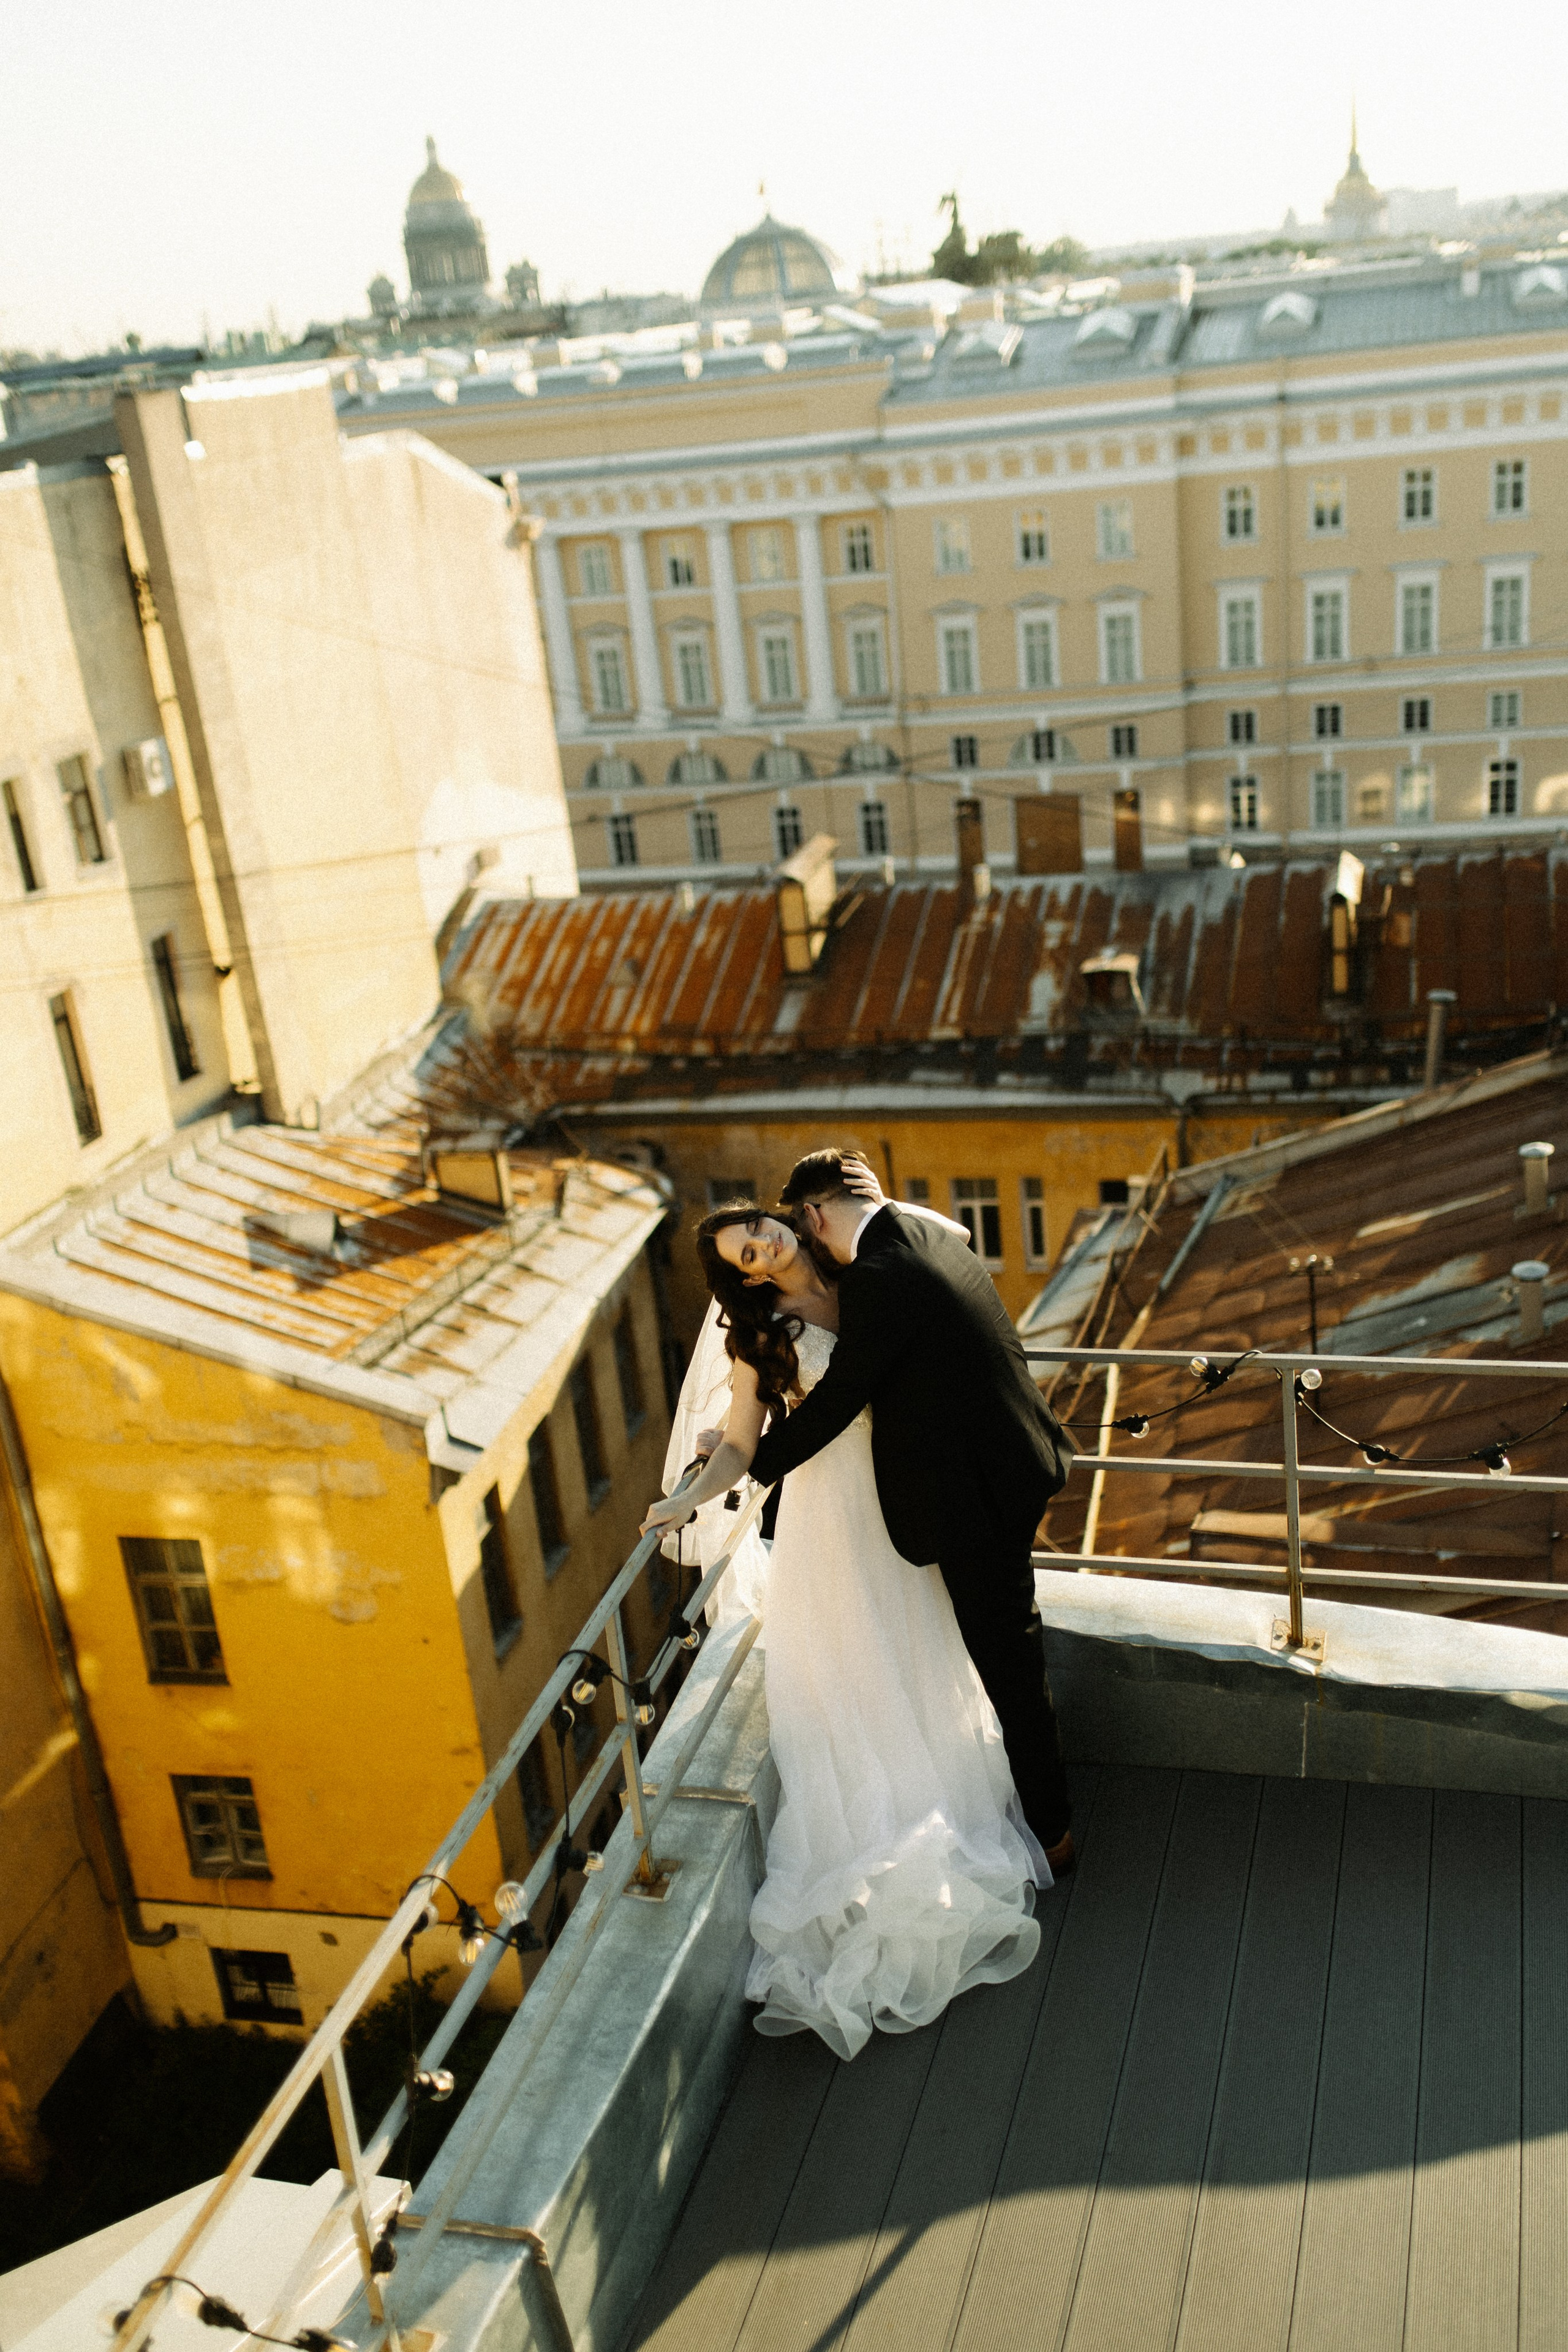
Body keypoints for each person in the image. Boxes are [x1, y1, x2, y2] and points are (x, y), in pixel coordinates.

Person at [641, 1157, 1056, 2061]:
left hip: (903, 1500)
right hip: (834, 1516)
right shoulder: (760, 1334)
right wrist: (693, 1493)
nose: (767, 1242)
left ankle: (961, 1799)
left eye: (762, 1223)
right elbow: (748, 1442)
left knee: (928, 1655)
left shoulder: (867, 1272)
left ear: (788, 1219)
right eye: (749, 1249)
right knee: (864, 1670)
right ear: (748, 1275)